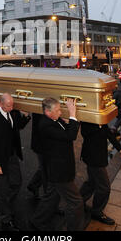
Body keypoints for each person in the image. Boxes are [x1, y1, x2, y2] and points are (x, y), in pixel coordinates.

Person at [29, 98, 86, 231]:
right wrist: (72, 113)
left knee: (51, 197)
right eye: (58, 110)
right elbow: (70, 135)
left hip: (59, 168)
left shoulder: (54, 120)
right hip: (59, 171)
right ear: (48, 112)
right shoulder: (46, 125)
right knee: (76, 202)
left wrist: (71, 121)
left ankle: (37, 220)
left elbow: (67, 130)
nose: (60, 113)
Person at [0, 93, 31, 231]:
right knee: (2, 189)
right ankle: (6, 218)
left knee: (17, 182)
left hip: (12, 156)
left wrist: (27, 116)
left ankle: (3, 203)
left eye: (12, 105)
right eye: (8, 105)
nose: (11, 108)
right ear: (1, 104)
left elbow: (18, 126)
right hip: (0, 160)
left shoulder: (13, 113)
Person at [80, 122, 121, 225]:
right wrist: (99, 124)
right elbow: (85, 133)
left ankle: (79, 201)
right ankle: (96, 211)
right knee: (104, 187)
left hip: (99, 156)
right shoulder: (88, 120)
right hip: (92, 157)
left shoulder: (101, 119)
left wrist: (120, 147)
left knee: (92, 182)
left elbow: (108, 133)